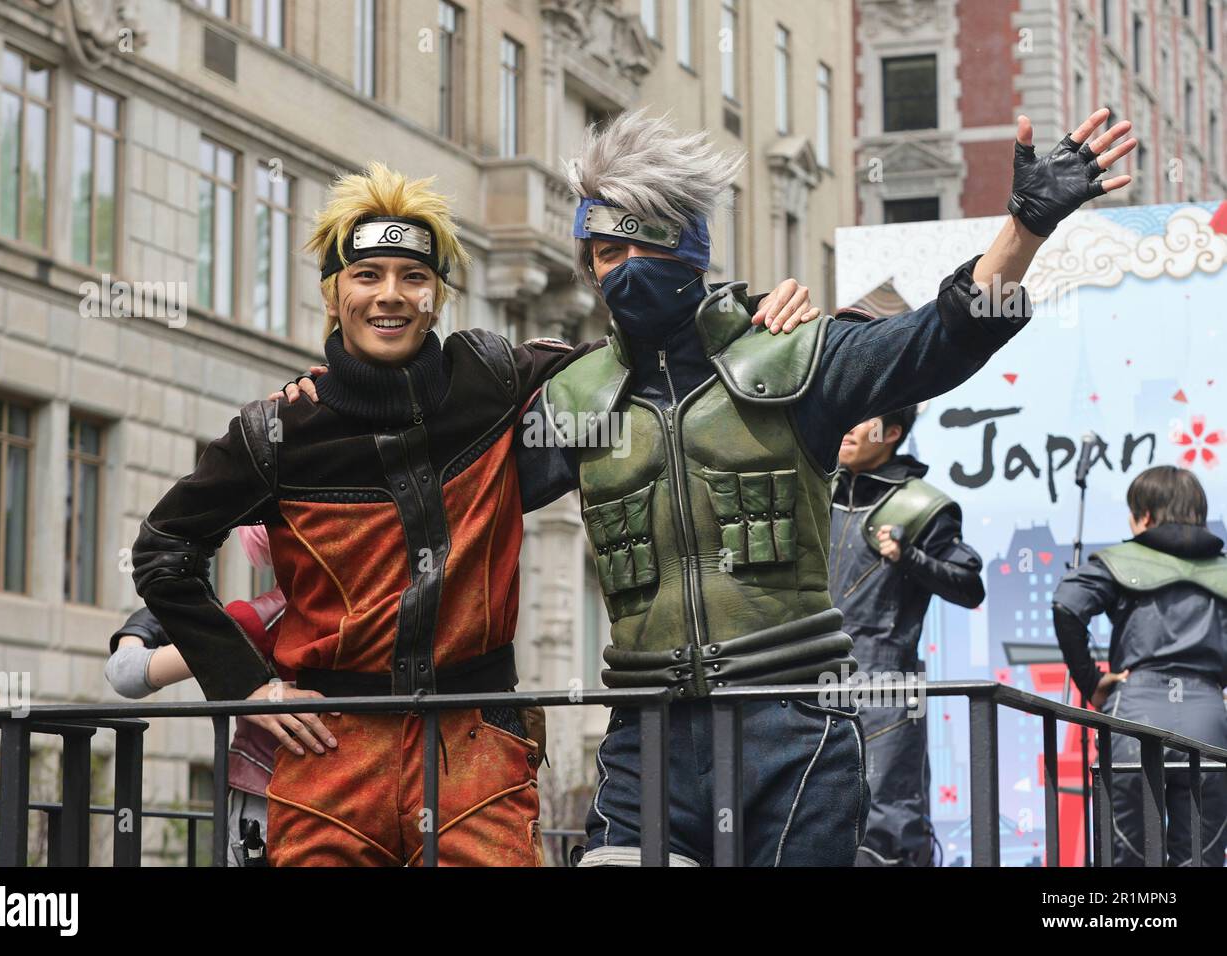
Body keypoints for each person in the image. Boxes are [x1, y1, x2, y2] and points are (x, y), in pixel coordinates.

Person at [134, 159, 818, 867]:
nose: (390, 296)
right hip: (330, 751)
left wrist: (761, 311)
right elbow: (163, 554)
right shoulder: (277, 429)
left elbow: (640, 353)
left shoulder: (491, 377)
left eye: (414, 277)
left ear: (438, 297)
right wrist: (247, 686)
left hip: (477, 749)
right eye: (367, 276)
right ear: (333, 295)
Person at [512, 105, 1136, 866]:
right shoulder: (577, 402)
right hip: (647, 735)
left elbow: (944, 337)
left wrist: (1025, 230)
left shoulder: (795, 361)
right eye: (606, 249)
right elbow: (442, 503)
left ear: (691, 245)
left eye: (647, 238)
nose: (626, 264)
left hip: (793, 729)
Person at [828, 406, 984, 866]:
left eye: (862, 419)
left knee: (886, 820)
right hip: (810, 676)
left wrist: (909, 557)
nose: (849, 427)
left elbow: (970, 586)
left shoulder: (920, 506)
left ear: (892, 432)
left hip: (886, 682)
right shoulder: (819, 490)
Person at [1052, 466, 1227, 866]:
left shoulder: (1119, 561)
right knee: (1202, 857)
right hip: (1209, 715)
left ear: (1145, 517)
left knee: (1127, 855)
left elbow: (1067, 605)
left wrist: (1092, 681)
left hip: (1135, 713)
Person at [107, 526, 291, 866]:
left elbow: (126, 673)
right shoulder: (384, 613)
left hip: (269, 806)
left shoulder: (260, 620)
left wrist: (143, 624)